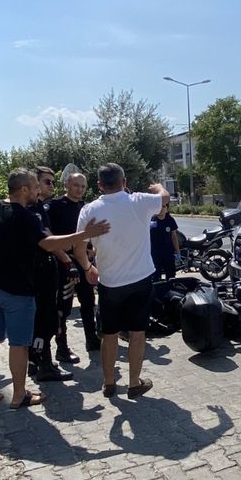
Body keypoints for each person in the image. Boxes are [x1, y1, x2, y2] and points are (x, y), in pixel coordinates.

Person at [0, 170, 110, 410]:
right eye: (34, 187)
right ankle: (19, 395)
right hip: (18, 290)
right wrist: (85, 234)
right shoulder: (27, 215)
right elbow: (49, 244)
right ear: (24, 189)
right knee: (19, 344)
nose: (37, 191)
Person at [72, 163, 169, 400]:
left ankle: (109, 383)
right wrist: (158, 186)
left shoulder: (89, 210)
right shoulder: (139, 201)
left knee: (109, 334)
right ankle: (134, 383)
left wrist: (88, 268)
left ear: (99, 185)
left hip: (109, 282)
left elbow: (78, 247)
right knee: (137, 333)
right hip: (140, 279)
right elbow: (165, 197)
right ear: (124, 182)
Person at [28, 166, 73, 382]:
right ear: (34, 184)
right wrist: (67, 258)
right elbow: (47, 240)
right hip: (37, 271)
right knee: (43, 319)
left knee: (48, 317)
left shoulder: (39, 207)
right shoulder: (30, 209)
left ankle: (37, 360)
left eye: (53, 182)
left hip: (46, 269)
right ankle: (44, 364)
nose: (51, 186)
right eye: (47, 182)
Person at [47, 170, 99, 355]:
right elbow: (47, 235)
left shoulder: (86, 207)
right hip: (64, 263)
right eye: (76, 185)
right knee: (63, 307)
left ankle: (91, 339)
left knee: (88, 302)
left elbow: (92, 233)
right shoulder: (54, 206)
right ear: (67, 185)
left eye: (83, 186)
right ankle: (62, 347)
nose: (80, 189)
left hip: (84, 262)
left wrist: (92, 249)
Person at [149, 202, 180, 281]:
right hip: (154, 253)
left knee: (171, 276)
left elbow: (174, 237)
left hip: (168, 253)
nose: (161, 209)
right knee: (155, 277)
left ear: (167, 209)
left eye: (163, 207)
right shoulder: (151, 219)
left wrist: (177, 251)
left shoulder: (170, 220)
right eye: (159, 206)